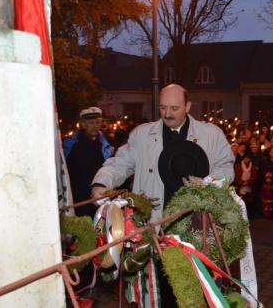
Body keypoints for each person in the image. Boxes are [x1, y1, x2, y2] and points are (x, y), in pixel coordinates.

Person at [90, 84, 234, 307]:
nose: (167, 114)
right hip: (154, 228)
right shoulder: (141, 135)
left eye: (174, 108)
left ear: (187, 106)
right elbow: (119, 164)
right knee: (157, 292)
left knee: (192, 292)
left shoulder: (211, 134)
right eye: (163, 107)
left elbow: (227, 169)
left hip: (195, 230)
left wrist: (208, 182)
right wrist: (101, 183)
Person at [63, 106, 113, 217]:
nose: (95, 126)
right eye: (91, 123)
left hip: (101, 196)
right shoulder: (72, 145)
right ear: (83, 124)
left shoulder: (106, 144)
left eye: (97, 122)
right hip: (80, 199)